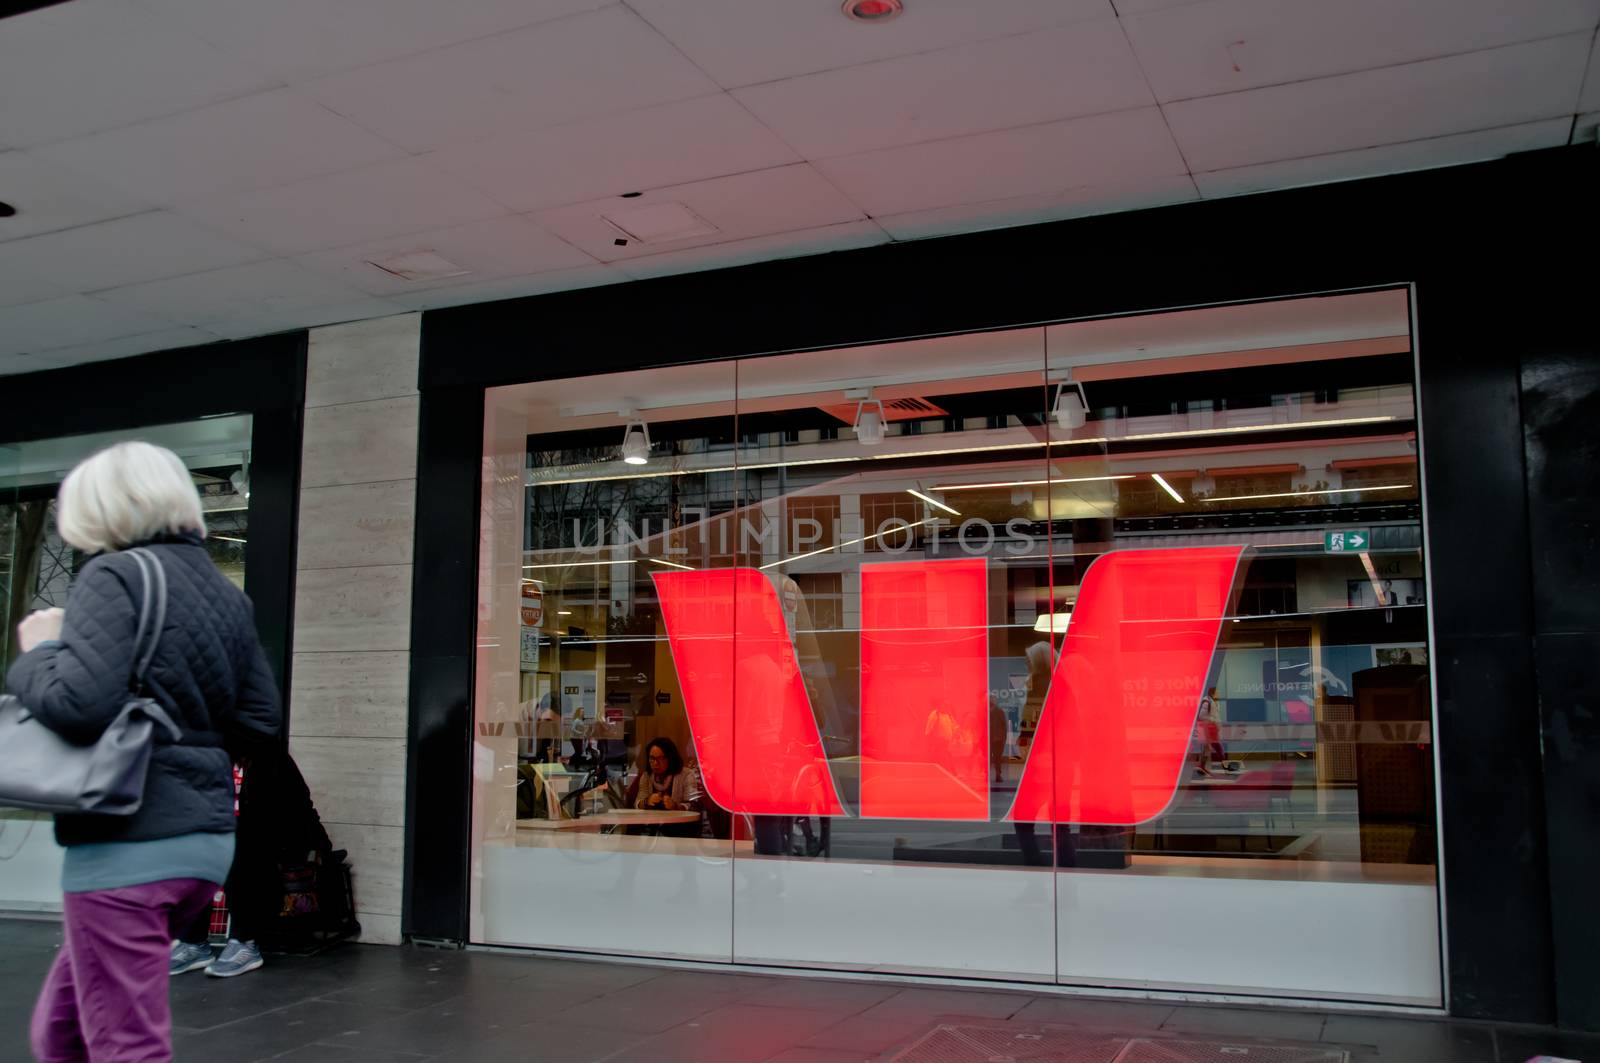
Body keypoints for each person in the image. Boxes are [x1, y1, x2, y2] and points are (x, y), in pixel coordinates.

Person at [5, 442, 282, 1061]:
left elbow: (78, 706)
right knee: (65, 1030)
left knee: (124, 1043)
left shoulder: (113, 574)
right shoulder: (225, 594)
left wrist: (41, 652)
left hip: (127, 845)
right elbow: (261, 723)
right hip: (203, 844)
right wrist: (178, 724)